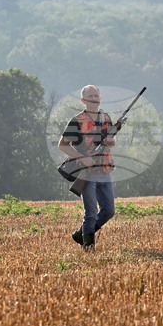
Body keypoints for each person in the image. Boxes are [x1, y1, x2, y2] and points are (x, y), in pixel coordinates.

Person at [58, 85, 116, 251]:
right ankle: (88, 247)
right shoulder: (77, 121)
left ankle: (80, 234)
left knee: (109, 211)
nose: (94, 98)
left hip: (104, 169)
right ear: (83, 100)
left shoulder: (106, 117)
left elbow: (110, 142)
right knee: (90, 213)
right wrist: (83, 158)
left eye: (96, 95)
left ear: (100, 98)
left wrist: (111, 142)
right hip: (87, 173)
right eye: (90, 95)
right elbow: (62, 145)